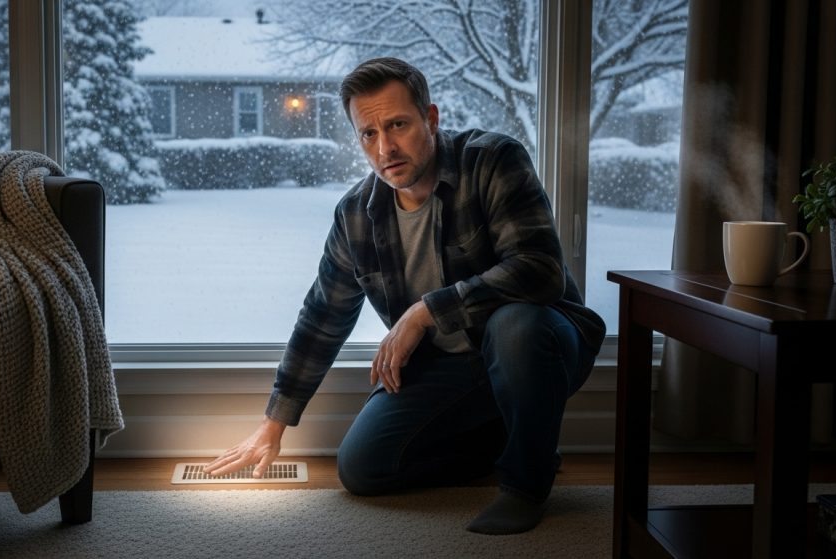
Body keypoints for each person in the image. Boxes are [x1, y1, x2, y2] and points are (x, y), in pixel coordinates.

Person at [204, 56, 606, 535]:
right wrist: (274, 424)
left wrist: (424, 311)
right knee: (363, 469)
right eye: (368, 134)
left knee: (514, 324)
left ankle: (525, 484)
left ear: (430, 119)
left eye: (398, 125)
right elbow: (322, 316)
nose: (385, 148)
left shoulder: (493, 159)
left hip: (540, 342)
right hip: (451, 366)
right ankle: (512, 439)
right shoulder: (356, 214)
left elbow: (539, 272)